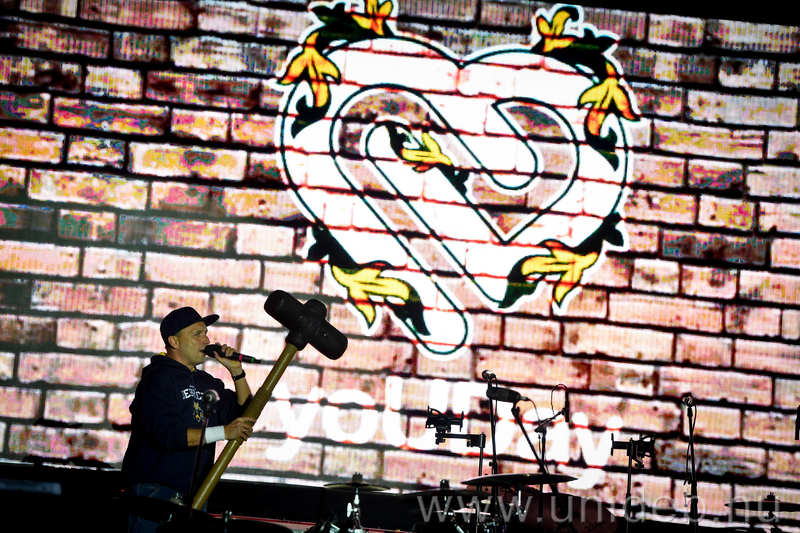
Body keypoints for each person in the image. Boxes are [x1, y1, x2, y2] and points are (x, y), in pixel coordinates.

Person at [121, 306, 256, 532]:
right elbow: (167, 435)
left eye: (206, 333)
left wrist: (237, 372)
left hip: (194, 498)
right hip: (155, 495)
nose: (206, 340)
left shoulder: (207, 382)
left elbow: (244, 414)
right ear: (174, 341)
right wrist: (224, 432)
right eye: (197, 334)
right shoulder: (158, 377)